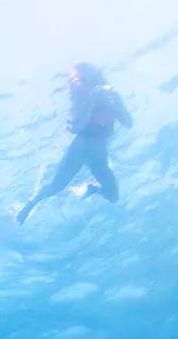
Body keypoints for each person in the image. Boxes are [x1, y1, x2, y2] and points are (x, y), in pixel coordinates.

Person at [16, 64, 132, 222]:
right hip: (80, 149)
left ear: (89, 78)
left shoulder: (110, 94)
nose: (73, 84)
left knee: (113, 195)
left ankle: (93, 189)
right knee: (57, 186)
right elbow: (76, 127)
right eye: (71, 81)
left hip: (100, 154)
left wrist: (116, 103)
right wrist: (92, 99)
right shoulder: (83, 99)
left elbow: (128, 123)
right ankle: (30, 205)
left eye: (76, 79)